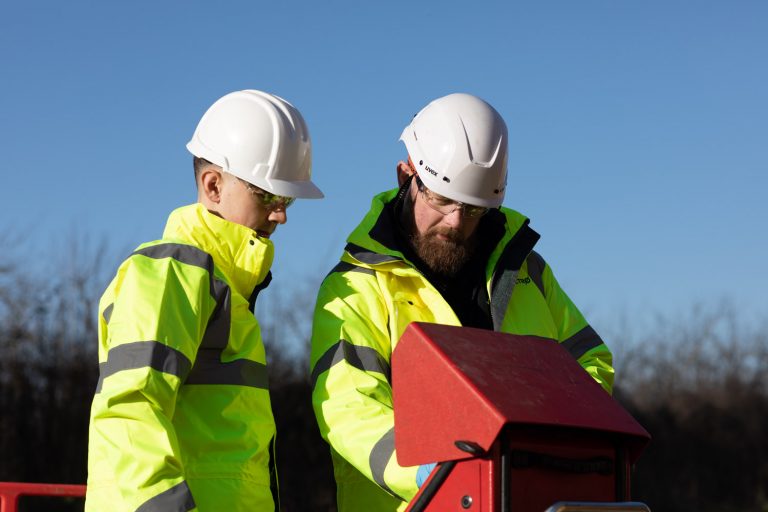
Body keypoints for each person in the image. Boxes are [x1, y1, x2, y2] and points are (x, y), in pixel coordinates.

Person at [309, 93, 614, 511]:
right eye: (441, 200)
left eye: (472, 209)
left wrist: (548, 444)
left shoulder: (527, 272)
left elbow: (590, 364)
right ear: (406, 176)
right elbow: (348, 408)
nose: (455, 223)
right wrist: (430, 470)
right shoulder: (356, 288)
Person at [85, 90, 323, 512]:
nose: (281, 214)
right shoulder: (171, 271)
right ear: (213, 186)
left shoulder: (223, 287)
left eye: (286, 201)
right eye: (268, 196)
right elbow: (130, 413)